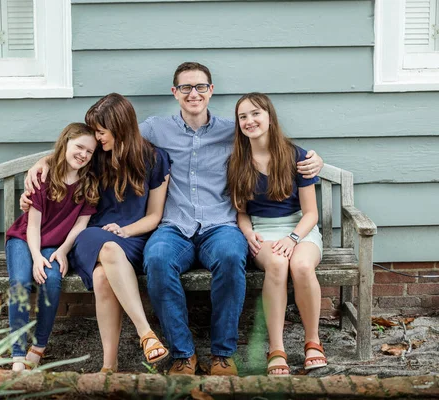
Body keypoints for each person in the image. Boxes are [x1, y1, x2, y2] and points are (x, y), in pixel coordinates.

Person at [23, 62, 323, 375]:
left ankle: (223, 354)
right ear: (175, 93)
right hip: (173, 227)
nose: (193, 93)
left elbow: (271, 142)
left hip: (220, 225)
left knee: (232, 256)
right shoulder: (155, 129)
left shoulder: (232, 130)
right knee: (157, 258)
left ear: (210, 91)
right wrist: (45, 161)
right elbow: (108, 141)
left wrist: (315, 158)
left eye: (200, 87)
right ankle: (183, 355)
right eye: (185, 88)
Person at [23, 93, 171, 372]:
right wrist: (41, 163)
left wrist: (126, 229)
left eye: (102, 132)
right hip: (89, 235)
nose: (98, 137)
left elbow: (154, 216)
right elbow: (65, 156)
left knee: (103, 275)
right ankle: (146, 334)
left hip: (133, 238)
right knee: (106, 247)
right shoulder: (97, 157)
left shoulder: (155, 159)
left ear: (120, 127)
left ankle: (108, 366)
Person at [228, 92, 326, 375]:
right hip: (262, 231)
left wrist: (293, 238)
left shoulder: (297, 156)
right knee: (277, 264)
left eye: (256, 113)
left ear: (270, 117)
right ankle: (277, 347)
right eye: (243, 116)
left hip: (300, 228)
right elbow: (241, 212)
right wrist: (248, 234)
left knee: (303, 265)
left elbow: (311, 213)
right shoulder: (238, 161)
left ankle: (313, 342)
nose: (250, 121)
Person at [5, 122, 100, 372]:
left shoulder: (89, 183)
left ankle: (38, 347)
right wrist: (36, 256)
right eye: (79, 146)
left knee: (53, 279)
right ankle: (17, 353)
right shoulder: (44, 177)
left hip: (56, 245)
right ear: (66, 142)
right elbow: (32, 226)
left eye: (89, 151)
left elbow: (80, 225)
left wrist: (64, 250)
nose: (83, 154)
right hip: (25, 240)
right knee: (20, 283)